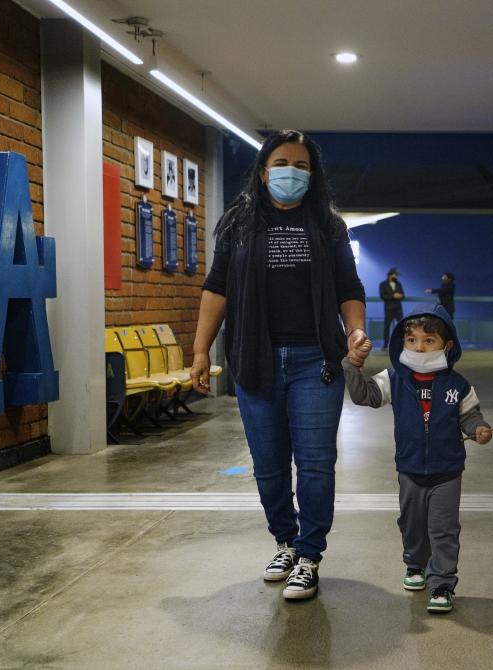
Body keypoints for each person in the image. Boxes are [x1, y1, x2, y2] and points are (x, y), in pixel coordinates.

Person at [191, 130, 370, 601]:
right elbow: (217, 290)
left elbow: (349, 287)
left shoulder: (328, 225)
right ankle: (285, 542)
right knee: (269, 467)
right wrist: (198, 351)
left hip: (317, 361)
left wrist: (354, 332)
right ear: (264, 170)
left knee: (315, 465)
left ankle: (309, 555)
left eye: (302, 165)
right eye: (282, 162)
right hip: (255, 359)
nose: (292, 171)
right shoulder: (238, 223)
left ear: (313, 176)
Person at [342, 305, 492, 614]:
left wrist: (478, 428)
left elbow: (470, 415)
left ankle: (442, 583)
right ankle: (414, 564)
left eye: (428, 341)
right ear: (403, 343)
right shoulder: (395, 379)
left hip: (447, 470)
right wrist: (352, 365)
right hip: (409, 469)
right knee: (412, 524)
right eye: (412, 340)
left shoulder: (458, 384)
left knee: (444, 528)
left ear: (446, 346)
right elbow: (365, 396)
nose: (419, 347)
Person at [379, 267, 405, 349]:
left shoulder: (398, 284)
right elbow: (382, 296)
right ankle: (385, 344)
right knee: (387, 326)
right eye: (395, 274)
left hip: (398, 308)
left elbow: (403, 295)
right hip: (388, 309)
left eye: (397, 275)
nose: (396, 276)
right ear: (390, 274)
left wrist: (400, 296)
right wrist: (393, 296)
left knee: (402, 325)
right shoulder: (383, 284)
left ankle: (402, 343)